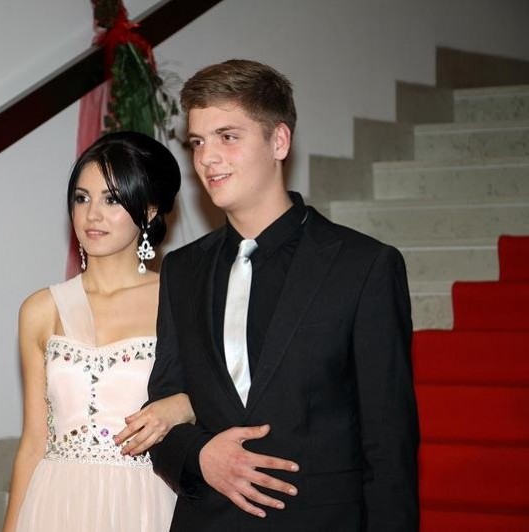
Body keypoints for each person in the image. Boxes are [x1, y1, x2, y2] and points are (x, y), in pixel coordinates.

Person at [147, 59, 419, 531]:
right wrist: (200, 455)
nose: (207, 158)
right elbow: (164, 406)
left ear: (279, 141)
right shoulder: (182, 270)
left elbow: (389, 444)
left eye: (227, 137)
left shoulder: (364, 266)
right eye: (198, 142)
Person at [3, 131, 192, 532]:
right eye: (82, 198)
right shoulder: (40, 309)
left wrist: (183, 406)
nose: (92, 215)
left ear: (150, 209)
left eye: (111, 199)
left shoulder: (179, 298)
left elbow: (226, 400)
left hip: (145, 502)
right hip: (56, 503)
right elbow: (34, 441)